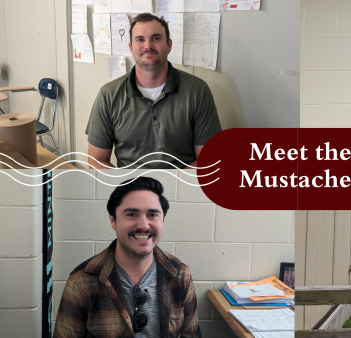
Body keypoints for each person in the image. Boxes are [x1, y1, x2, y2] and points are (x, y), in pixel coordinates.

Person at [54, 177, 202, 337]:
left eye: (153, 214)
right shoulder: (82, 281)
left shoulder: (180, 275)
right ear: (113, 221)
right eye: (132, 214)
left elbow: (191, 334)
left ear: (163, 220)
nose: (144, 225)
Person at [86, 13, 222, 169]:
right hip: (128, 188)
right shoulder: (108, 95)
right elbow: (96, 161)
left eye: (156, 38)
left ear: (169, 45)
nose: (148, 45)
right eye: (140, 39)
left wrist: (171, 187)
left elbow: (209, 160)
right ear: (131, 47)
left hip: (182, 188)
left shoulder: (197, 91)